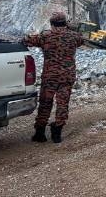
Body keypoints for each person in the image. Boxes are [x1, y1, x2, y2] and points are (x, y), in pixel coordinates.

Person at [22, 11, 84, 143]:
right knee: (63, 104)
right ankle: (57, 133)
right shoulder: (74, 36)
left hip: (50, 76)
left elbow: (27, 40)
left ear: (51, 24)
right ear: (64, 23)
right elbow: (81, 40)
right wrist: (70, 28)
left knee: (45, 103)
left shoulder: (45, 36)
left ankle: (40, 133)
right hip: (67, 76)